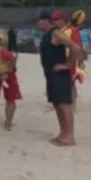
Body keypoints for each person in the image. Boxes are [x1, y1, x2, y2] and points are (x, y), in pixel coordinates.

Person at [37, 11, 82, 146]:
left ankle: (69, 136)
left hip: (60, 75)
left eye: (38, 21)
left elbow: (75, 47)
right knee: (57, 105)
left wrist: (67, 64)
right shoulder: (46, 35)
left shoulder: (55, 33)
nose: (37, 24)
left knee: (64, 105)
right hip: (51, 75)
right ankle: (63, 133)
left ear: (45, 21)